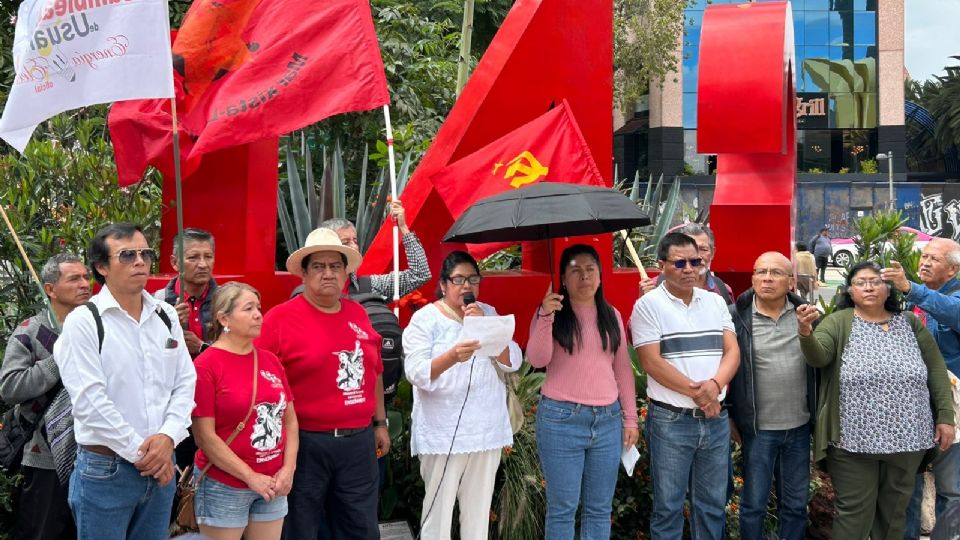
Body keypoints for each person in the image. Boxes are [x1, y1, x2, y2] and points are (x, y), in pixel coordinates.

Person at [54, 222, 197, 540]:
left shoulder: (165, 315)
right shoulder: (84, 322)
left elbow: (185, 381)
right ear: (102, 267)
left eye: (145, 254)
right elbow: (91, 401)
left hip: (162, 463)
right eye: (127, 255)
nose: (140, 262)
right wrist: (146, 455)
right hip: (108, 470)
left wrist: (169, 437)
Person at [799, 260, 956, 540]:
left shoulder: (909, 323)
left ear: (889, 288)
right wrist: (806, 333)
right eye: (861, 282)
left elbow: (935, 371)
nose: (869, 287)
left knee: (894, 516)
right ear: (849, 290)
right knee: (853, 517)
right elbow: (818, 356)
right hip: (853, 442)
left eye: (876, 281)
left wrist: (945, 417)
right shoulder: (838, 321)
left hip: (908, 441)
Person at [257, 227, 390, 540]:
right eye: (318, 266)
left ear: (345, 273)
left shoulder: (359, 313)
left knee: (360, 527)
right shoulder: (277, 320)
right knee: (301, 526)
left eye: (335, 266)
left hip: (358, 442)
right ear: (303, 273)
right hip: (304, 444)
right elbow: (260, 384)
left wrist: (380, 423)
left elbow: (374, 370)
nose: (328, 273)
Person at [402, 250, 521, 540]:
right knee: (438, 518)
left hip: (485, 430)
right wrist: (452, 356)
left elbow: (513, 360)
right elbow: (416, 372)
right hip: (443, 434)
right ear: (444, 285)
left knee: (478, 518)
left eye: (473, 279)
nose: (467, 286)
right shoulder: (425, 319)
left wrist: (487, 327)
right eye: (459, 279)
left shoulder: (488, 312)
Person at [630, 232, 740, 540]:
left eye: (696, 261)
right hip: (671, 421)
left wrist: (716, 384)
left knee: (712, 506)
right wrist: (702, 394)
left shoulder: (716, 302)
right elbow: (651, 362)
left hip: (714, 420)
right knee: (668, 508)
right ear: (662, 265)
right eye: (680, 263)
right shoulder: (648, 306)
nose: (689, 268)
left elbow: (732, 351)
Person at [526, 244, 638, 539]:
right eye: (575, 270)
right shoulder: (552, 314)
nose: (584, 276)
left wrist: (630, 418)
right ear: (563, 277)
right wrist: (545, 315)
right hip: (561, 420)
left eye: (590, 269)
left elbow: (623, 369)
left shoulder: (611, 315)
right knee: (563, 508)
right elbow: (536, 359)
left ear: (600, 277)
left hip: (607, 421)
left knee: (599, 509)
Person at [192, 282, 299, 540]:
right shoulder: (206, 366)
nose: (258, 315)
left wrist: (289, 469)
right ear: (224, 318)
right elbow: (204, 437)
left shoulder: (270, 360)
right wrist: (250, 477)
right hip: (224, 484)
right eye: (248, 308)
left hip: (273, 483)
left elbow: (290, 420)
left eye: (259, 308)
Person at [727, 252, 819, 540]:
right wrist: (730, 416)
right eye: (761, 272)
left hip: (799, 427)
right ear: (752, 277)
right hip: (757, 429)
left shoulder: (808, 316)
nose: (767, 278)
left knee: (794, 505)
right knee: (753, 505)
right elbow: (724, 370)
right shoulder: (735, 317)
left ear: (791, 281)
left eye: (776, 273)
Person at [0, 253, 90, 540]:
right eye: (74, 278)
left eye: (85, 277)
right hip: (44, 457)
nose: (84, 284)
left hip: (93, 456)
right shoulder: (31, 330)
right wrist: (59, 358)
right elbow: (10, 388)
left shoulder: (99, 329)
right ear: (50, 289)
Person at [880, 238, 960, 538]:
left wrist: (911, 288)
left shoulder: (938, 298)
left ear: (952, 270)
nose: (924, 262)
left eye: (934, 259)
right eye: (923, 256)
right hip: (912, 406)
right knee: (907, 485)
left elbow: (951, 311)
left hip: (951, 408)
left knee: (951, 488)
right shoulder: (915, 301)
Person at [154, 227, 218, 471]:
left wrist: (201, 347)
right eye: (193, 257)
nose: (202, 264)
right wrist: (168, 329)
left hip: (215, 402)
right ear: (175, 261)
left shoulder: (227, 301)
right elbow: (145, 356)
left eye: (208, 256)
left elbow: (240, 352)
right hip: (171, 406)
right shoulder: (157, 303)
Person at [322, 199, 431, 299]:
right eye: (345, 242)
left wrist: (403, 227)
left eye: (355, 241)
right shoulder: (310, 293)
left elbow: (420, 274)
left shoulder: (369, 287)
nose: (354, 247)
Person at [640, 223, 734, 305]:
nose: (697, 256)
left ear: (712, 253)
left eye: (703, 249)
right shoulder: (653, 287)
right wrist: (644, 302)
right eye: (691, 250)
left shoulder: (723, 290)